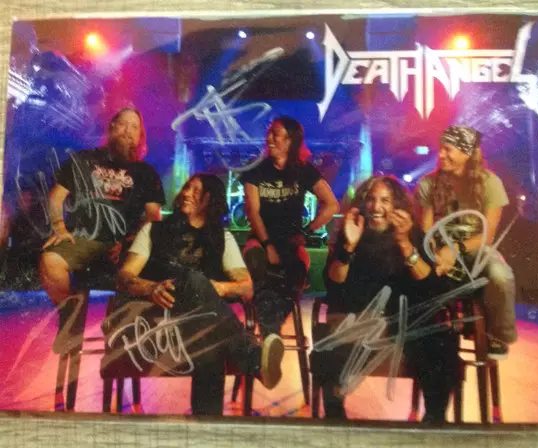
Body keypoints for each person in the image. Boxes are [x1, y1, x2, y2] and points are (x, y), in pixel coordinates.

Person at [114, 173, 284, 415]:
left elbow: (246, 287)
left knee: (208, 332)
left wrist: (210, 288)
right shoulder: (153, 230)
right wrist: (150, 288)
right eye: (186, 188)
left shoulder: (223, 238)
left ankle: (206, 425)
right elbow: (124, 276)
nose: (185, 194)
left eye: (195, 191)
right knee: (196, 289)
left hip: (203, 326)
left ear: (210, 199)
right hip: (160, 320)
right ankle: (253, 357)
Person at [315, 175, 460, 423]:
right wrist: (349, 246)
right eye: (371, 200)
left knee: (441, 342)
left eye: (385, 200)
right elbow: (333, 283)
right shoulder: (353, 230)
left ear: (397, 206)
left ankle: (435, 422)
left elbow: (431, 288)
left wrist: (405, 243)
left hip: (405, 322)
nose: (377, 207)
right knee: (331, 343)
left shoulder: (413, 234)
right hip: (359, 319)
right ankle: (335, 421)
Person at [39, 107, 166, 354]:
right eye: (123, 124)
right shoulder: (83, 159)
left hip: (124, 248)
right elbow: (56, 197)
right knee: (49, 261)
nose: (128, 131)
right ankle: (70, 317)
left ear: (140, 137)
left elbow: (153, 219)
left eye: (135, 127)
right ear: (111, 127)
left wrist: (130, 243)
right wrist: (59, 227)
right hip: (84, 240)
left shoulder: (146, 173)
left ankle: (128, 343)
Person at [416, 125, 517, 359]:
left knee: (501, 275)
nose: (441, 155)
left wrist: (454, 251)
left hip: (475, 251)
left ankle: (498, 336)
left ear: (467, 153)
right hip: (437, 251)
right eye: (440, 149)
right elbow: (426, 231)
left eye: (448, 149)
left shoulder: (491, 183)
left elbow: (487, 236)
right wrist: (436, 255)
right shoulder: (427, 184)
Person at [240, 116, 339, 337]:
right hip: (260, 240)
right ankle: (271, 334)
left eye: (275, 134)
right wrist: (268, 245)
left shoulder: (302, 170)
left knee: (296, 272)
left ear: (290, 141)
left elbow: (332, 204)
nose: (269, 138)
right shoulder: (256, 170)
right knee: (256, 261)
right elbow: (253, 212)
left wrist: (307, 231)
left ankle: (269, 334)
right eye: (269, 133)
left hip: (291, 243)